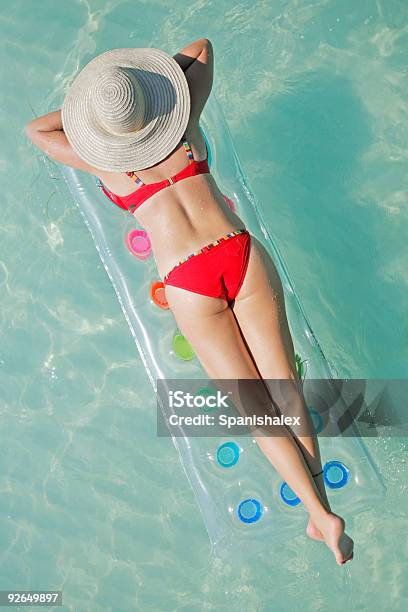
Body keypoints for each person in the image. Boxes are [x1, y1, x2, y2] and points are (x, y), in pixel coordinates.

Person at [25, 38, 353, 565]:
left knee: (255, 409)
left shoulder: (100, 162)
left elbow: (37, 131)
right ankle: (324, 506)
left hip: (188, 277)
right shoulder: (184, 122)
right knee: (284, 387)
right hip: (238, 251)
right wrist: (153, 96)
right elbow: (201, 49)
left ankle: (320, 515)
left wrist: (93, 119)